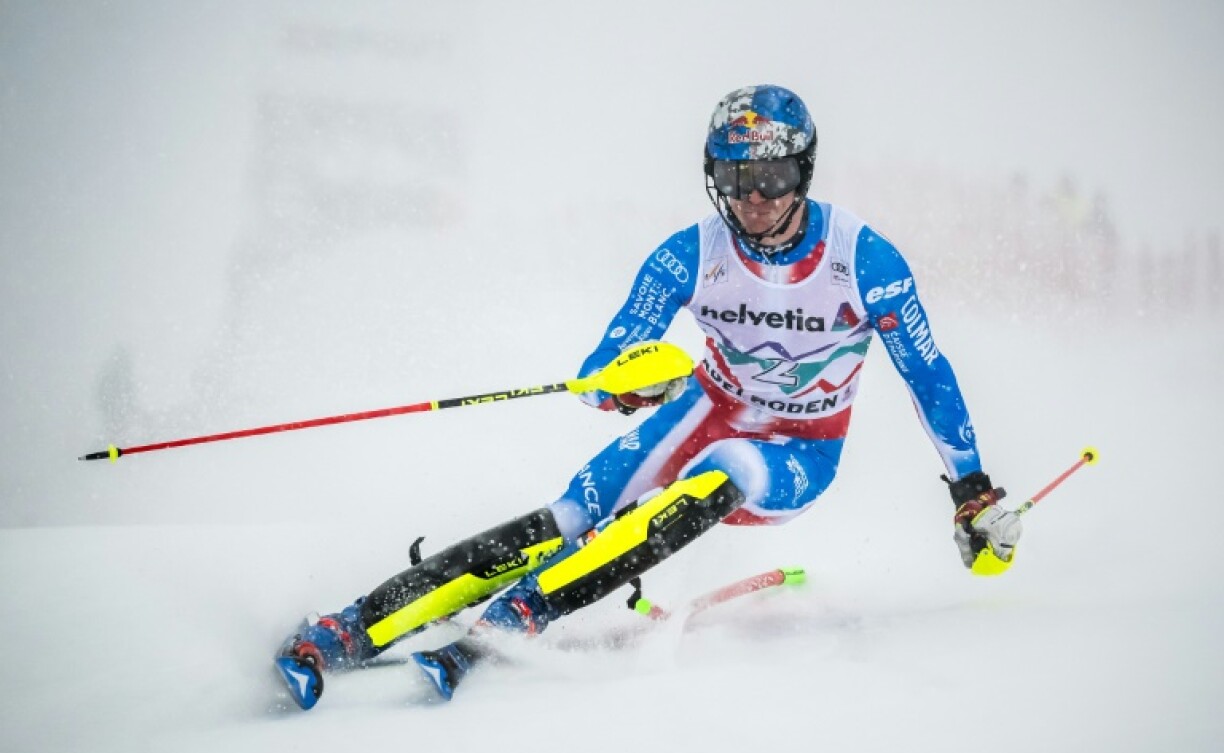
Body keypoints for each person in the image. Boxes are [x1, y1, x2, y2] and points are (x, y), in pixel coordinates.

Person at [274, 84, 1023, 710]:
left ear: (805, 174)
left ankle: (515, 618)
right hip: (702, 408)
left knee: (725, 469)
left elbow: (927, 374)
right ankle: (346, 629)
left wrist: (971, 487)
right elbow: (610, 357)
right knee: (566, 516)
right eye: (734, 180)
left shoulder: (865, 258)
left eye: (773, 180)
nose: (754, 200)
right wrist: (625, 388)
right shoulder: (689, 254)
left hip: (800, 450)